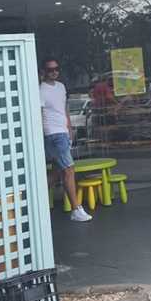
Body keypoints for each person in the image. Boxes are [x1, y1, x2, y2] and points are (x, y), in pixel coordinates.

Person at [41, 57, 92, 222]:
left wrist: (69, 128)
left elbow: (64, 109)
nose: (54, 72)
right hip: (53, 134)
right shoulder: (41, 90)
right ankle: (76, 209)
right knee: (69, 170)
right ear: (44, 72)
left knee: (56, 173)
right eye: (50, 70)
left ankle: (34, 200)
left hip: (62, 132)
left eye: (56, 68)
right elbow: (39, 113)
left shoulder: (61, 87)